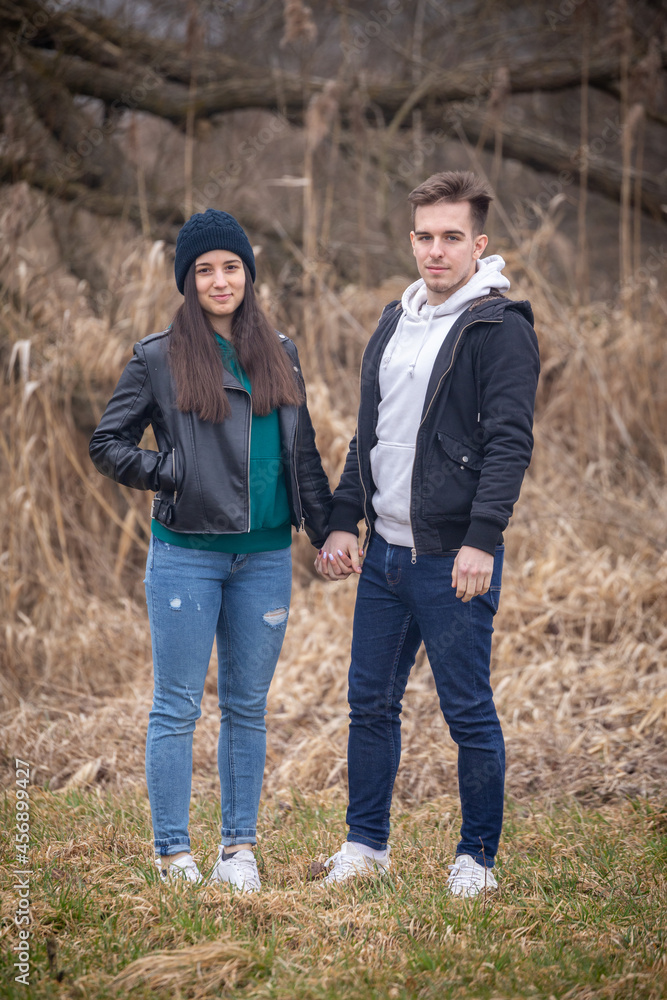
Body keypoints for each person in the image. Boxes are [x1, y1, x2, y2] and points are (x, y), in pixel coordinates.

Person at [90, 209, 332, 892]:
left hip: (263, 559)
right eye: (205, 270)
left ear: (248, 276)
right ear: (187, 281)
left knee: (248, 707)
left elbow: (301, 455)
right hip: (186, 556)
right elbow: (106, 444)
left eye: (231, 267)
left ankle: (238, 850)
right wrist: (169, 472)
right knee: (177, 706)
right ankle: (172, 854)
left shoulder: (279, 351)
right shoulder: (158, 358)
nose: (220, 280)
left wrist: (325, 530)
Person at [315, 171, 539, 897]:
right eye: (424, 236)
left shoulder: (498, 329)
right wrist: (343, 519)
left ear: (478, 243)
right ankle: (365, 847)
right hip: (382, 556)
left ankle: (476, 859)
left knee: (466, 709)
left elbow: (508, 444)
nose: (435, 251)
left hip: (451, 560)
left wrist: (482, 537)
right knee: (368, 704)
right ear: (410, 238)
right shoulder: (393, 319)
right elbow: (369, 435)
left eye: (450, 237)